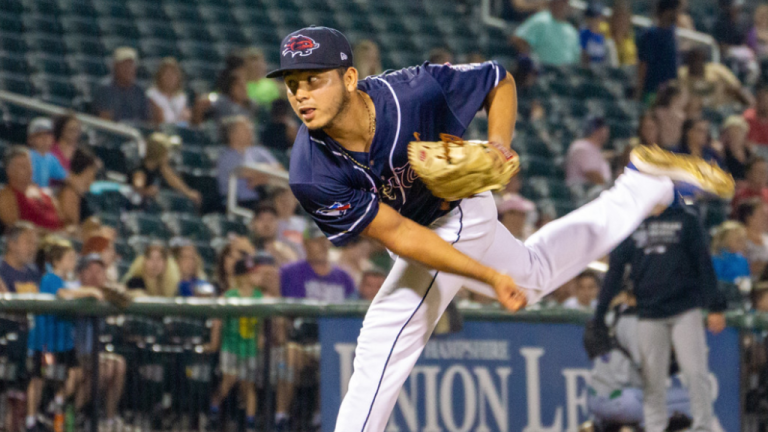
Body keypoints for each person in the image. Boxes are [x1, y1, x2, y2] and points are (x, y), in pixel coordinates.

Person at [268, 25, 733, 431]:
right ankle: (642, 188)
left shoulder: (410, 92)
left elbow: (499, 79)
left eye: (315, 79)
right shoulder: (311, 172)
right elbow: (402, 238)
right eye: (293, 84)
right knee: (533, 275)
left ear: (350, 78)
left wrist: (498, 146)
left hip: (461, 209)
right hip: (417, 234)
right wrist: (490, 276)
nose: (302, 94)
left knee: (385, 334)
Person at [594, 206, 727, 432]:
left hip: (684, 308)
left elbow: (703, 262)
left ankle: (703, 426)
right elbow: (615, 269)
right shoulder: (633, 220)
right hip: (649, 312)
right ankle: (655, 427)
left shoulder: (686, 219)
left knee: (695, 372)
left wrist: (715, 305)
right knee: (652, 378)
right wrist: (599, 312)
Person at [25, 243, 102, 432]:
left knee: (76, 374)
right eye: (69, 258)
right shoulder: (50, 278)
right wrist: (89, 290)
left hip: (63, 343)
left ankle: (54, 405)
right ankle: (31, 420)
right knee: (38, 380)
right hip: (45, 343)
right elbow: (63, 294)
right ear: (58, 261)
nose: (73, 262)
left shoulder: (66, 280)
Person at [588, 303, 693, 428]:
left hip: (594, 401)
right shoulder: (633, 320)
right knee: (692, 399)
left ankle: (602, 425)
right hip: (623, 401)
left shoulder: (608, 316)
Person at [207, 255, 266, 432]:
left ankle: (250, 423)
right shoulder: (229, 295)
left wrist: (261, 340)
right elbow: (218, 322)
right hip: (231, 347)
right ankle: (213, 411)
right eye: (252, 273)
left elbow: (262, 326)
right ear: (243, 276)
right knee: (228, 381)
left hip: (249, 348)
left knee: (248, 387)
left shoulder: (259, 296)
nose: (256, 276)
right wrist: (214, 342)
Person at [73, 254, 126, 432]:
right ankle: (72, 413)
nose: (95, 275)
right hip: (71, 354)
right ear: (80, 273)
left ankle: (109, 420)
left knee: (118, 364)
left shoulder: (104, 295)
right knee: (105, 368)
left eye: (99, 270)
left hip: (92, 353)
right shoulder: (76, 290)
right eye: (90, 270)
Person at [216, 115, 282, 208]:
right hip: (237, 203)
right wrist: (268, 175)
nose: (250, 131)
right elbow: (247, 172)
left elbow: (280, 169)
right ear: (232, 134)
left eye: (250, 128)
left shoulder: (258, 151)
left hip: (260, 201)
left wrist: (262, 179)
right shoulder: (226, 156)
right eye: (245, 129)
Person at [280, 224, 355, 302]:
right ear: (305, 244)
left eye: (325, 240)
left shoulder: (344, 277)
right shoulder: (290, 273)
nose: (323, 245)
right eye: (317, 241)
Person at [128, 132, 202, 207]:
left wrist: (188, 193)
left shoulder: (161, 167)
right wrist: (147, 191)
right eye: (167, 151)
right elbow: (137, 188)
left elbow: (172, 179)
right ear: (158, 152)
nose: (169, 155)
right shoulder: (140, 171)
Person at [0, 147, 63, 231]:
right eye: (23, 166)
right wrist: (54, 234)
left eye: (29, 164)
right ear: (9, 171)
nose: (29, 170)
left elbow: (63, 220)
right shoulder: (5, 196)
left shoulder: (45, 193)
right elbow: (15, 230)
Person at [677, 48, 754, 109]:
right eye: (692, 61)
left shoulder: (718, 71)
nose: (695, 64)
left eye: (698, 60)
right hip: (694, 112)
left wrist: (749, 106)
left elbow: (737, 89)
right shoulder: (682, 74)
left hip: (720, 109)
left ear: (704, 61)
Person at [511, 0, 580, 66]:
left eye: (565, 3)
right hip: (543, 71)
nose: (562, 5)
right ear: (553, 3)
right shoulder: (541, 20)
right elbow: (518, 39)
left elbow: (576, 57)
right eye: (560, 2)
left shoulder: (571, 30)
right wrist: (530, 61)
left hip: (566, 73)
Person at [636, 0, 680, 103]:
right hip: (652, 91)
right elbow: (643, 64)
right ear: (668, 12)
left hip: (669, 93)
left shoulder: (672, 32)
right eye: (676, 11)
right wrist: (639, 91)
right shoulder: (650, 35)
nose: (677, 14)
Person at [93, 47, 149, 123]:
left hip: (136, 132)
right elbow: (105, 122)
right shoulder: (105, 89)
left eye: (131, 65)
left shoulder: (139, 90)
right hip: (115, 132)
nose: (128, 69)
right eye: (124, 65)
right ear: (115, 66)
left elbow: (147, 120)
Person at [56, 148, 99, 227]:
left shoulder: (78, 196)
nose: (92, 181)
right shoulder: (69, 194)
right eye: (92, 176)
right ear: (87, 171)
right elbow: (69, 225)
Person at [565, 116, 612, 187]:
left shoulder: (595, 149)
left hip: (595, 191)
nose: (606, 131)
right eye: (602, 128)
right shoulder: (581, 146)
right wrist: (610, 187)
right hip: (581, 192)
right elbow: (591, 174)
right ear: (597, 131)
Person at [146, 57, 191, 125]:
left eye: (173, 74)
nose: (170, 77)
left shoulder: (181, 97)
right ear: (160, 76)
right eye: (166, 73)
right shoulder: (152, 94)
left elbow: (184, 120)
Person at [26, 117, 67, 188]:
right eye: (39, 135)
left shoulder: (52, 159)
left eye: (48, 135)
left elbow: (65, 177)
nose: (45, 138)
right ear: (30, 139)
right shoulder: (27, 156)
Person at [0, 222, 39, 293]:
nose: (33, 249)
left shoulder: (33, 272)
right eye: (28, 242)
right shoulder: (1, 269)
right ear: (11, 244)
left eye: (35, 244)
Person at [711, 220, 751, 285]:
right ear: (725, 241)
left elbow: (746, 277)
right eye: (739, 240)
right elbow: (716, 280)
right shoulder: (717, 259)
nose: (743, 243)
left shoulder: (742, 259)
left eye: (744, 239)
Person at [735, 198, 768, 276]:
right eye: (762, 215)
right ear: (749, 218)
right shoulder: (738, 241)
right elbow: (737, 267)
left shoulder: (766, 238)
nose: (766, 218)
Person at [272, 187, 307, 258]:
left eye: (288, 200)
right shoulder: (272, 223)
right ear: (275, 202)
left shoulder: (302, 223)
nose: (285, 204)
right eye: (281, 200)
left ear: (295, 202)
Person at [653, 83, 688, 148]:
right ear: (675, 97)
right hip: (664, 148)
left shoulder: (658, 111)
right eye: (684, 96)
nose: (686, 100)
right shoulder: (681, 116)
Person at [603, 0, 636, 66]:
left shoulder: (629, 45)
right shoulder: (603, 31)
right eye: (618, 18)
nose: (620, 23)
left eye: (623, 20)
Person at [721, 115, 753, 180]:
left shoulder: (750, 154)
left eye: (738, 131)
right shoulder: (722, 154)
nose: (735, 134)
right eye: (731, 131)